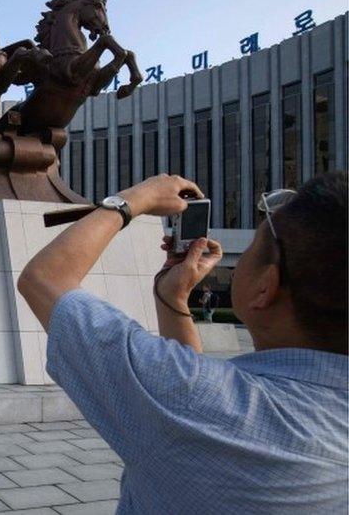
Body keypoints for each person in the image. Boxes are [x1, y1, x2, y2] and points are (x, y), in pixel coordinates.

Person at [17, 172, 348, 513]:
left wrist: (134, 200)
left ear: (266, 286)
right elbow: (193, 410)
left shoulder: (189, 400)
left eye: (252, 245)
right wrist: (173, 296)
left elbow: (45, 279)